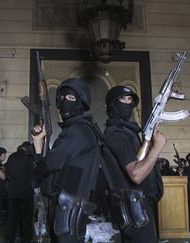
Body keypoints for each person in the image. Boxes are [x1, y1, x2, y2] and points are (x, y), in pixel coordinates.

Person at [32, 77, 101, 243]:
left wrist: (33, 176)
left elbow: (51, 162)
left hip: (68, 209)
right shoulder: (74, 130)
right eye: (61, 98)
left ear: (81, 102)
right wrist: (38, 142)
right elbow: (58, 168)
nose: (64, 102)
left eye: (71, 98)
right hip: (62, 206)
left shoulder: (79, 130)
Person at [102, 85, 166, 243]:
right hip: (133, 207)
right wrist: (157, 147)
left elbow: (138, 162)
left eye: (130, 99)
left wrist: (150, 145)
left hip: (136, 205)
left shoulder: (126, 132)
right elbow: (136, 175)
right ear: (112, 105)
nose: (127, 103)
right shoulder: (117, 134)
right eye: (122, 99)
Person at [4, 141, 35, 243]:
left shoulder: (11, 157)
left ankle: (9, 238)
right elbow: (33, 174)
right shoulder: (28, 158)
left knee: (12, 217)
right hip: (26, 192)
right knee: (26, 217)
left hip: (12, 192)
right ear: (27, 148)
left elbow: (7, 174)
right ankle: (26, 238)